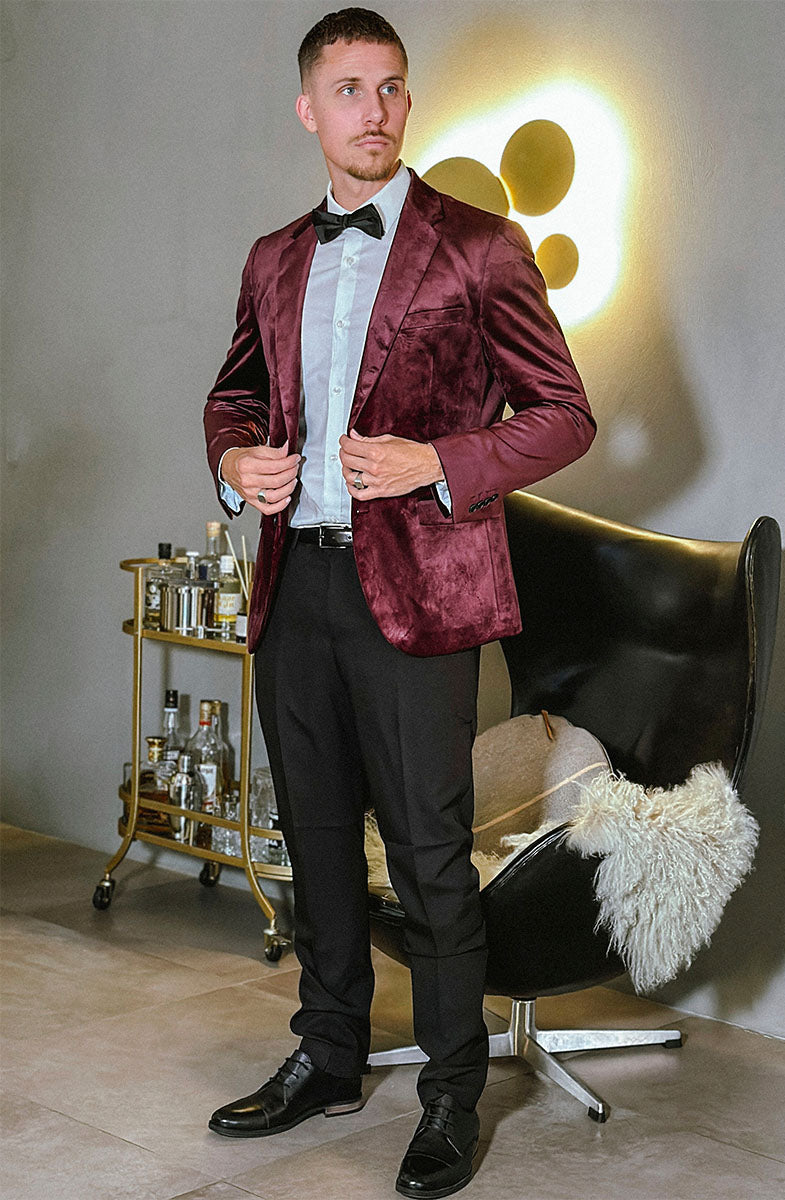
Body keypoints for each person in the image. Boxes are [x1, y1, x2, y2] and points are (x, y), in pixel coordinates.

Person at [203, 8, 594, 1196]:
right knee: (315, 836)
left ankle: (449, 1095)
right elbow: (233, 396)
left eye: (390, 87)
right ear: (308, 110)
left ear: (407, 101)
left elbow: (563, 413)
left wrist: (440, 461)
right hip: (295, 583)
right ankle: (327, 1055)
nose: (373, 109)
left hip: (421, 592)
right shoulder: (273, 257)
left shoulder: (480, 245)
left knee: (429, 855)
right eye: (348, 89)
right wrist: (235, 461)